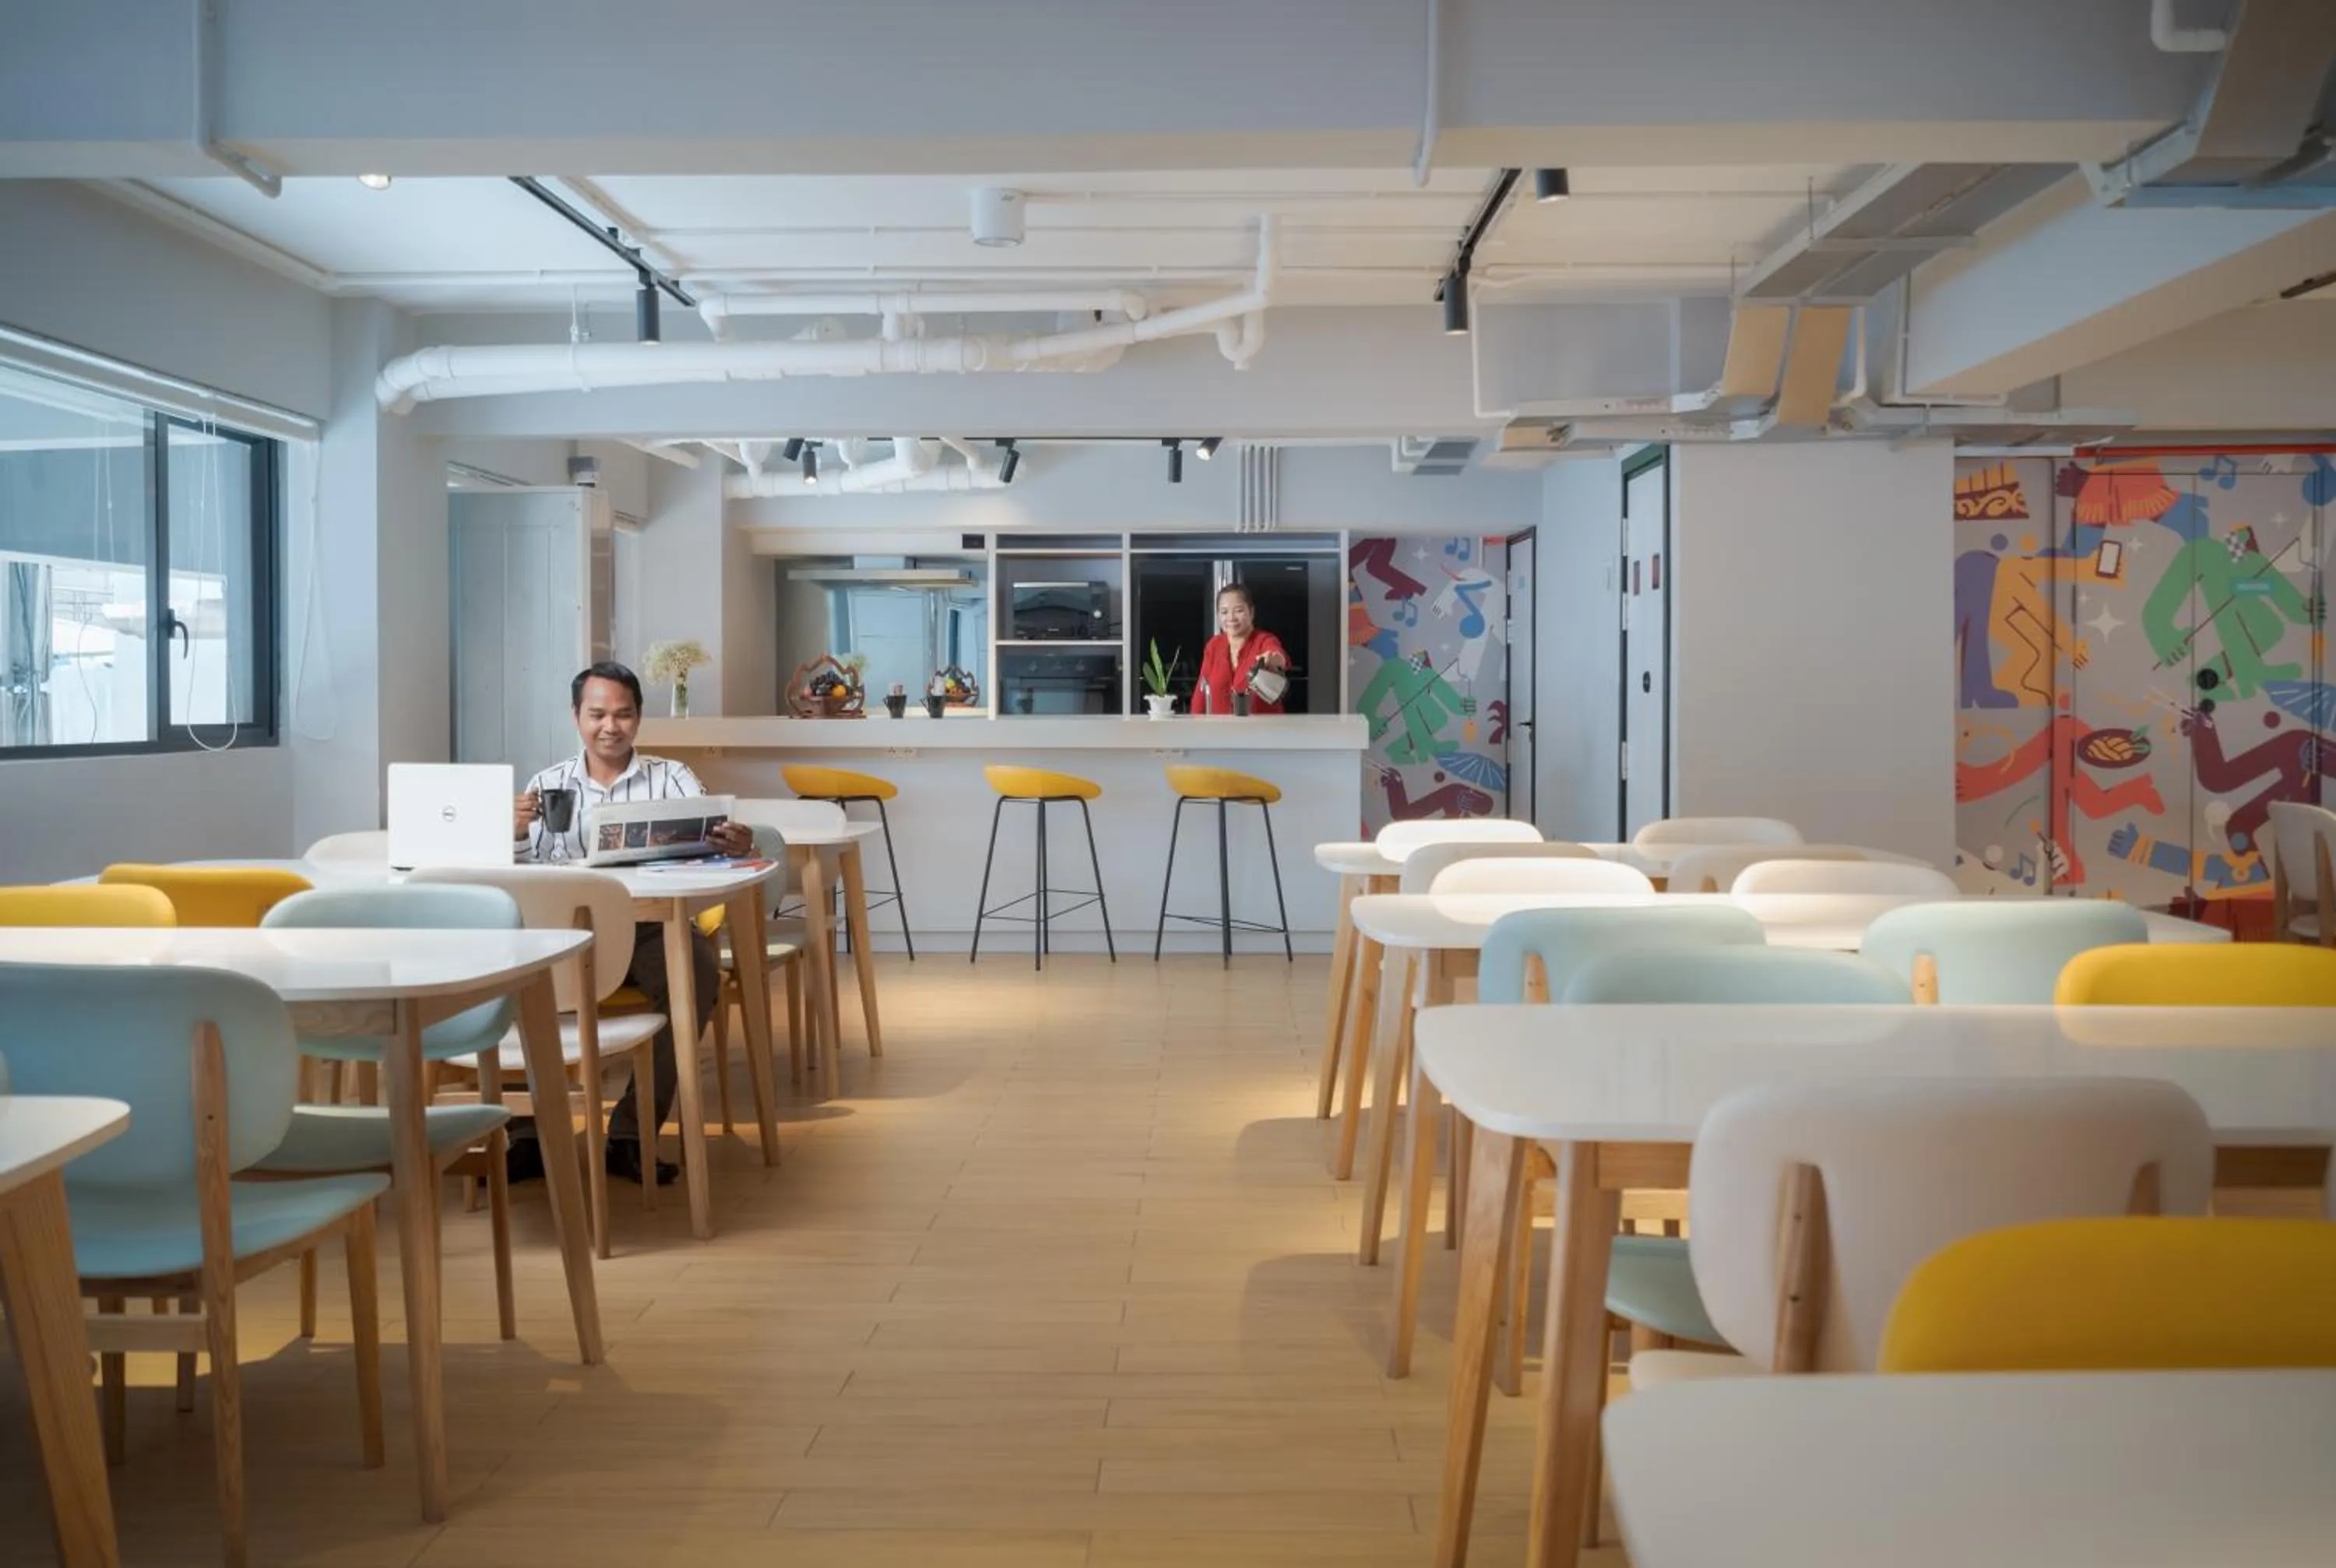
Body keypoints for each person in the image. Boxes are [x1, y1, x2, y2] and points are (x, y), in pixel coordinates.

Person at [510, 660, 751, 1186]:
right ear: (576, 717)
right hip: (561, 932)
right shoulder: (546, 783)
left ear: (639, 718)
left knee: (698, 974)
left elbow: (714, 849)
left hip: (647, 927)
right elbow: (522, 872)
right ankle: (525, 1134)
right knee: (501, 977)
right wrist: (513, 834)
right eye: (597, 714)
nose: (610, 726)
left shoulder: (673, 778)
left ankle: (631, 1133)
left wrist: (735, 842)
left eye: (622, 714)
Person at [1193, 581, 1289, 715]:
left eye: (1238, 610)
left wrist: (1273, 659)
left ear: (1251, 612)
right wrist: (1194, 724)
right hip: (1221, 731)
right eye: (1224, 612)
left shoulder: (1263, 640)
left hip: (1264, 731)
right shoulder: (1214, 645)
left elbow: (1277, 655)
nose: (1231, 618)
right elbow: (1201, 691)